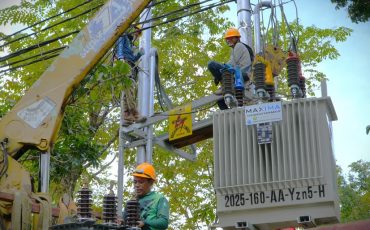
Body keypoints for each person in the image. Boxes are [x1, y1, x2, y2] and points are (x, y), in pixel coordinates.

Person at [208, 27, 252, 110]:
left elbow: (231, 64)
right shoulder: (235, 49)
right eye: (227, 39)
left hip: (241, 74)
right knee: (219, 100)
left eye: (231, 38)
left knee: (211, 64)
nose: (228, 40)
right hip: (237, 74)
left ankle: (223, 84)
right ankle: (229, 114)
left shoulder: (239, 46)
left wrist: (218, 74)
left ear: (237, 38)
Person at [123, 162, 170, 230]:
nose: (137, 185)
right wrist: (120, 222)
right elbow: (125, 222)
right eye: (135, 182)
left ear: (150, 182)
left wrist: (144, 223)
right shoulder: (131, 203)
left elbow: (163, 223)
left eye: (141, 182)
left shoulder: (159, 199)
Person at [115, 25, 145, 125]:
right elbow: (119, 47)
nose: (136, 34)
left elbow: (132, 58)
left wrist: (139, 54)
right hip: (124, 63)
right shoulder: (123, 36)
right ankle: (134, 113)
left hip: (129, 64)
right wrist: (120, 58)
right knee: (129, 87)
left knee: (125, 90)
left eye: (138, 33)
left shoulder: (130, 44)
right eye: (136, 31)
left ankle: (126, 117)